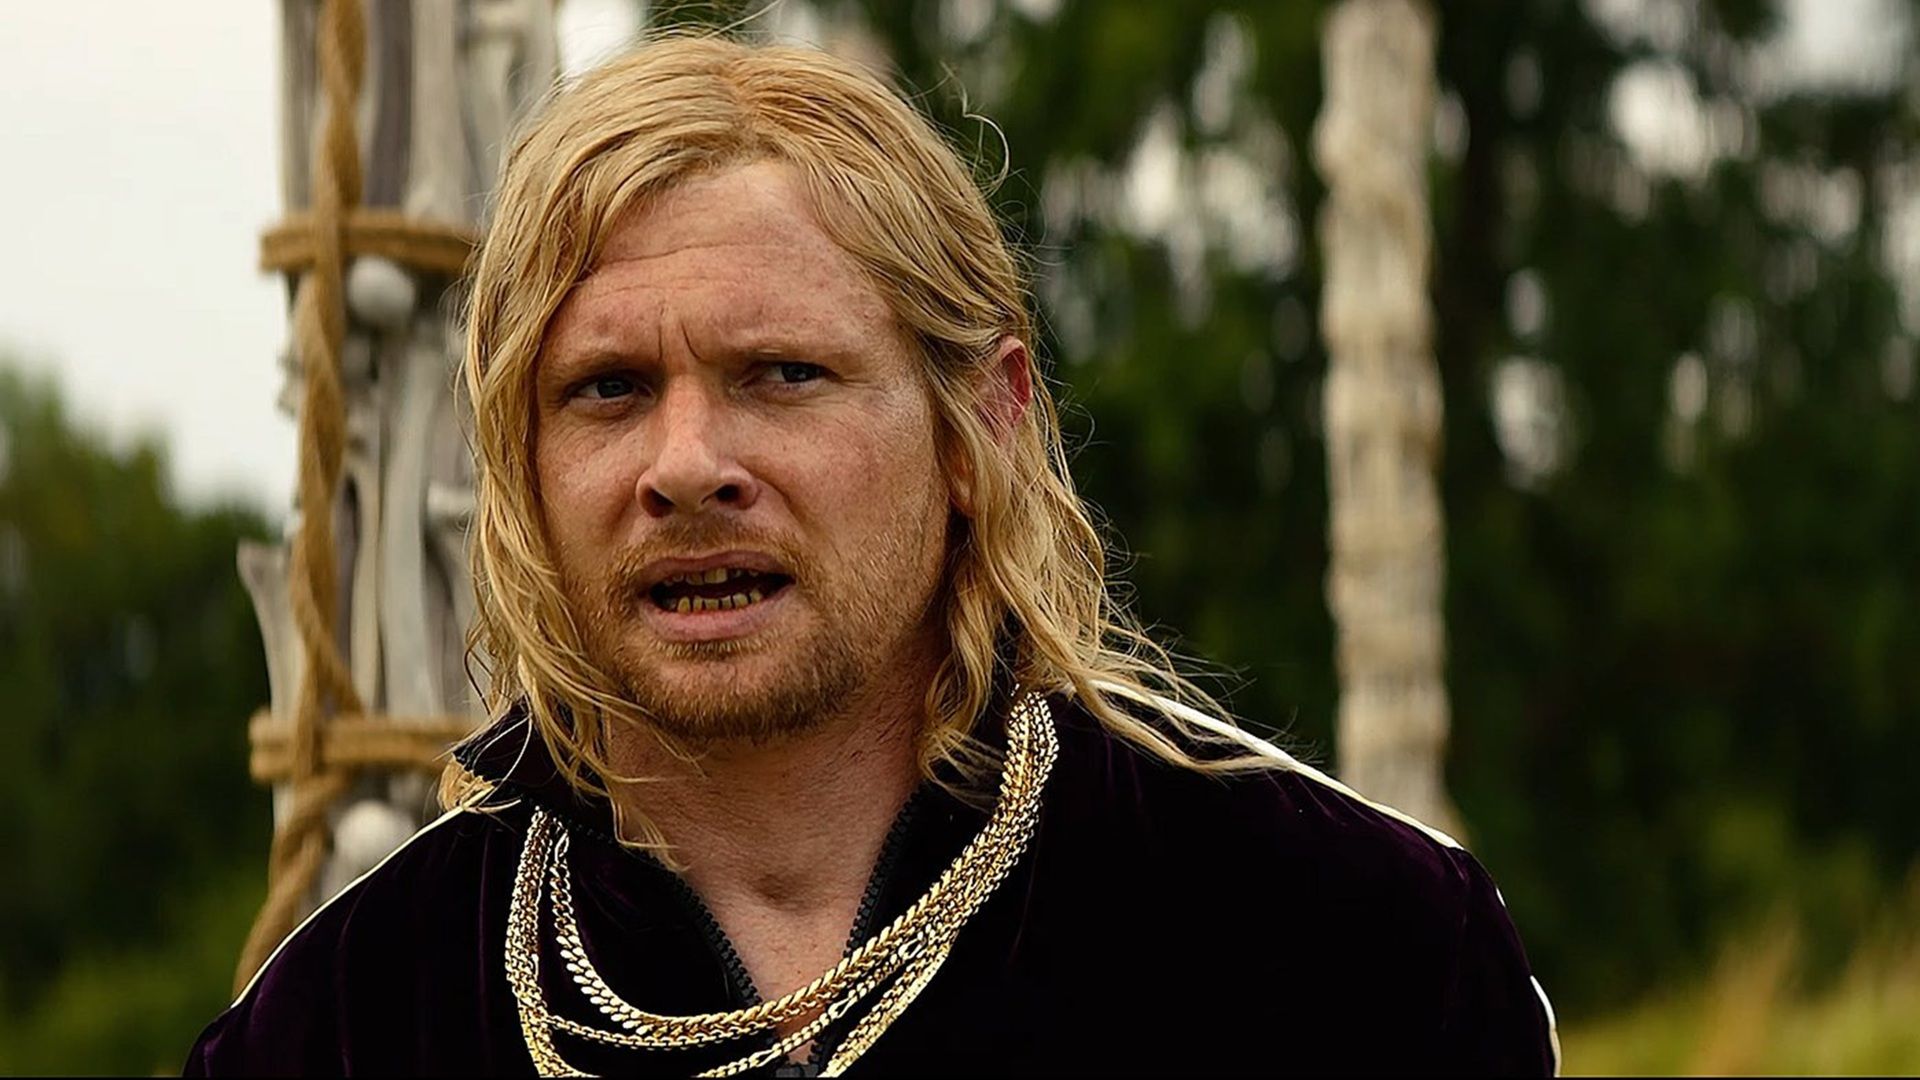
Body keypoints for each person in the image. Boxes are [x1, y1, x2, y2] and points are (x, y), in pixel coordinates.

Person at [187, 34, 1558, 1077]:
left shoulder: (1350, 947)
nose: (685, 464)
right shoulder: (346, 1026)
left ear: (982, 425)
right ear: (523, 467)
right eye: (607, 389)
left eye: (782, 373)